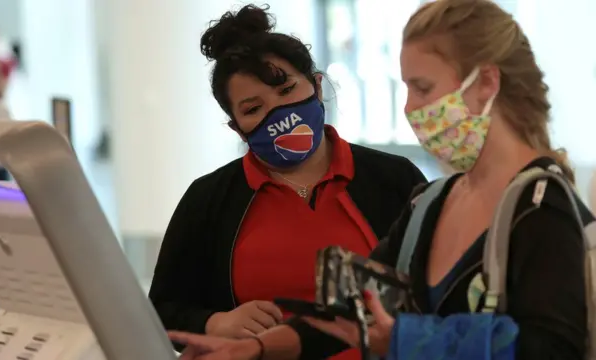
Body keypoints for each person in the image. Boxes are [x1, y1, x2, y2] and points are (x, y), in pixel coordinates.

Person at [167, 0, 592, 359]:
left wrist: (409, 341)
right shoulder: (433, 201)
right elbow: (356, 307)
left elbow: (555, 348)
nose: (409, 108)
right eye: (405, 88)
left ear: (484, 84)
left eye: (422, 88)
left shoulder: (541, 206)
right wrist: (259, 349)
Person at [148, 4, 426, 360]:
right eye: (253, 109)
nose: (278, 115)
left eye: (286, 91)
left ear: (317, 85)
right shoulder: (208, 199)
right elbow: (160, 310)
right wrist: (214, 322)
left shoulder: (393, 178)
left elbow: (431, 293)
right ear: (237, 127)